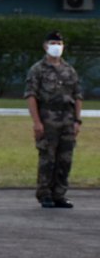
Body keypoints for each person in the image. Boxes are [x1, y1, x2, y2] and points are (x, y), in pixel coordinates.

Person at [25, 29, 84, 208]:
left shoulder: (69, 70)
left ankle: (59, 194)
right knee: (47, 158)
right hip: (47, 118)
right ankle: (45, 194)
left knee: (65, 158)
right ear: (45, 46)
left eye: (59, 44)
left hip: (67, 119)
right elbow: (31, 96)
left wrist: (77, 120)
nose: (56, 47)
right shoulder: (37, 70)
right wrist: (36, 122)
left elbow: (78, 96)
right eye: (53, 44)